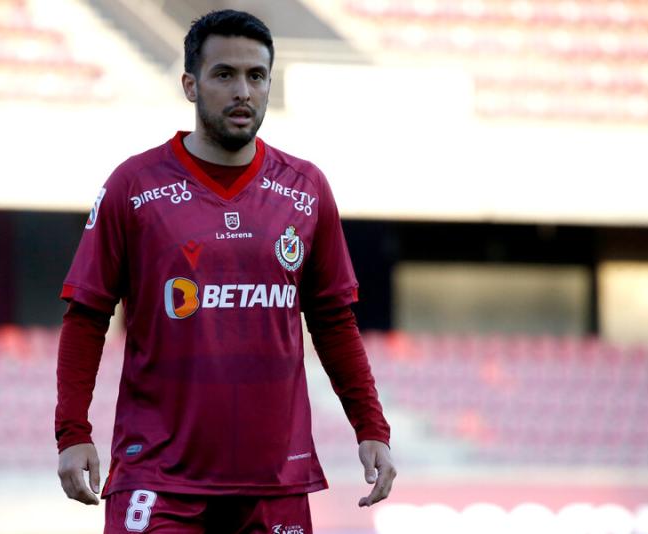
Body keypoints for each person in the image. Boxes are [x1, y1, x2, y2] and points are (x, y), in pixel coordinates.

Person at [55, 9, 395, 533]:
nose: (243, 91)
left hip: (273, 481)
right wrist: (73, 432)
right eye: (224, 75)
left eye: (256, 76)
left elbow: (333, 321)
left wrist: (370, 426)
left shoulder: (305, 189)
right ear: (190, 85)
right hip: (159, 478)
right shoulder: (133, 186)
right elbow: (86, 315)